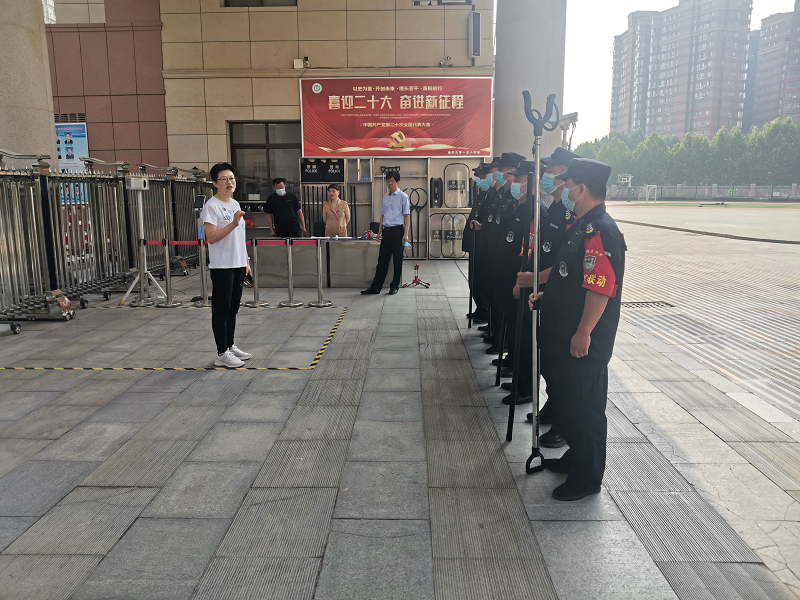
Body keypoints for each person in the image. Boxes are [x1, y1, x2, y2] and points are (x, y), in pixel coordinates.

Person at [530, 158, 626, 501]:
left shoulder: (600, 229)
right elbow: (572, 276)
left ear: (582, 189)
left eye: (568, 185)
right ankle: (577, 458)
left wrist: (584, 331)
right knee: (569, 404)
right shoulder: (583, 226)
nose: (565, 190)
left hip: (582, 343)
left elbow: (600, 287)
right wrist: (548, 295)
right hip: (564, 334)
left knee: (584, 409)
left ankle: (587, 477)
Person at [201, 163, 252, 368]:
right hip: (222, 265)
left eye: (231, 178)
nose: (229, 182)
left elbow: (240, 237)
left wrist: (246, 260)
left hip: (238, 263)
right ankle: (221, 353)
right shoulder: (211, 206)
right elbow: (211, 237)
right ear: (215, 183)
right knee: (222, 310)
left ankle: (230, 346)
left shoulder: (235, 204)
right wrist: (233, 223)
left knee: (233, 309)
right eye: (224, 179)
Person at [361, 172, 410, 295]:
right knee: (382, 260)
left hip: (398, 231)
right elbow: (382, 215)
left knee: (397, 260)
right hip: (386, 232)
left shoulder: (403, 197)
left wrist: (406, 234)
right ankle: (375, 288)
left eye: (392, 181)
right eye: (388, 181)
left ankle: (394, 286)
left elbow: (407, 216)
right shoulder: (385, 197)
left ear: (398, 182)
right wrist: (379, 232)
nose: (389, 183)